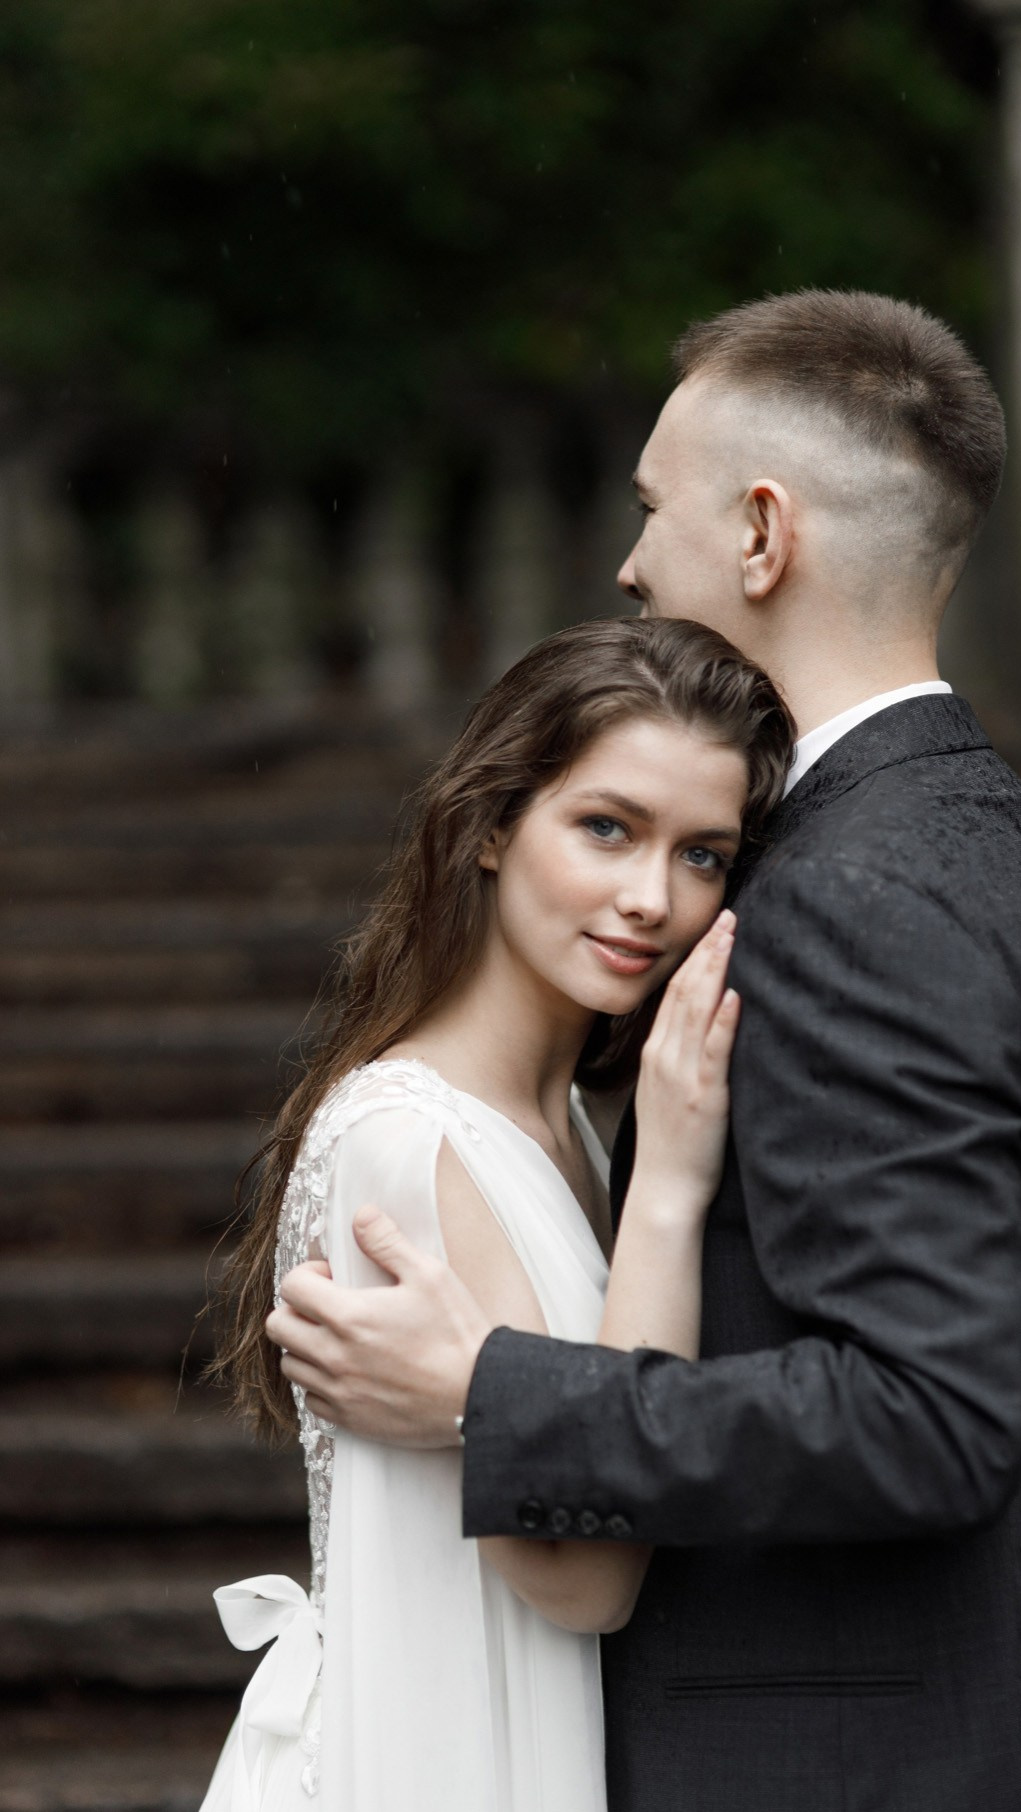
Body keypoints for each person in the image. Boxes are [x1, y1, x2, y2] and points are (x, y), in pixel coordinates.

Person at [270, 290, 1021, 1812]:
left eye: (648, 508)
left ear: (760, 534)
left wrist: (496, 1391)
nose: (626, 563)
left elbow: (928, 1417)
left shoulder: (850, 899)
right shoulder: (1011, 858)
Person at [198, 615, 794, 1810]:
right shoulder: (411, 1141)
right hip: (441, 1750)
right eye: (607, 828)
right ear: (490, 825)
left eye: (702, 854)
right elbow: (585, 1584)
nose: (649, 899)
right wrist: (671, 1188)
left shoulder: (564, 1124)